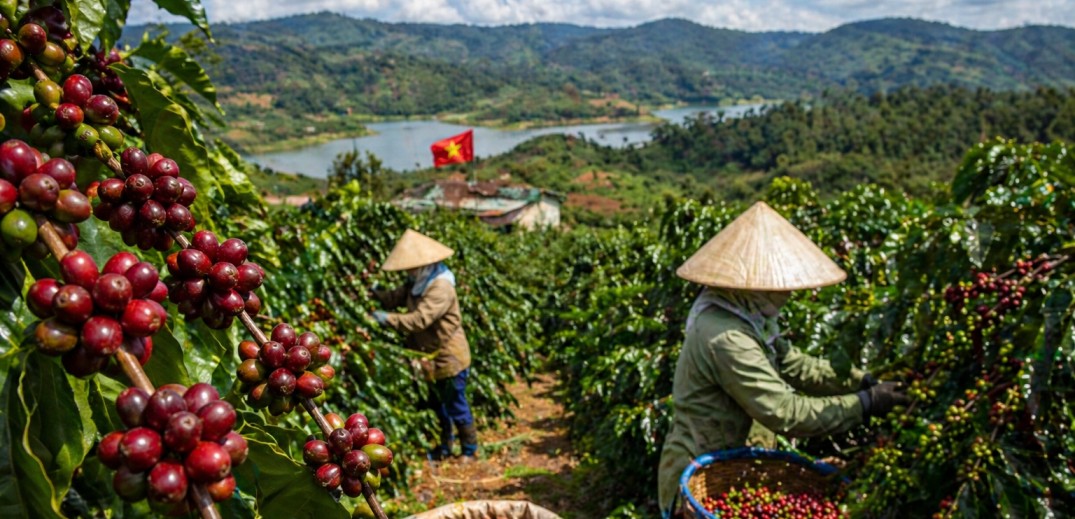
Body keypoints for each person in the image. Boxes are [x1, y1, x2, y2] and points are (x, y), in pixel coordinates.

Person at [657, 201, 909, 518]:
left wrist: (859, 380)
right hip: (703, 476)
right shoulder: (727, 338)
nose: (789, 293)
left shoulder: (748, 316)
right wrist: (865, 404)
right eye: (782, 285)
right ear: (756, 285)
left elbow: (795, 365)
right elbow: (785, 412)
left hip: (737, 467)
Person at [368, 229, 477, 460]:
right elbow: (394, 297)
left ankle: (469, 450)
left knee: (456, 404)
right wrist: (373, 294)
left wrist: (386, 318)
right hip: (429, 357)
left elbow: (420, 320)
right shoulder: (417, 283)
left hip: (449, 356)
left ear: (423, 265)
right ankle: (445, 448)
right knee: (438, 407)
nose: (408, 272)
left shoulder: (440, 287)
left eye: (410, 267)